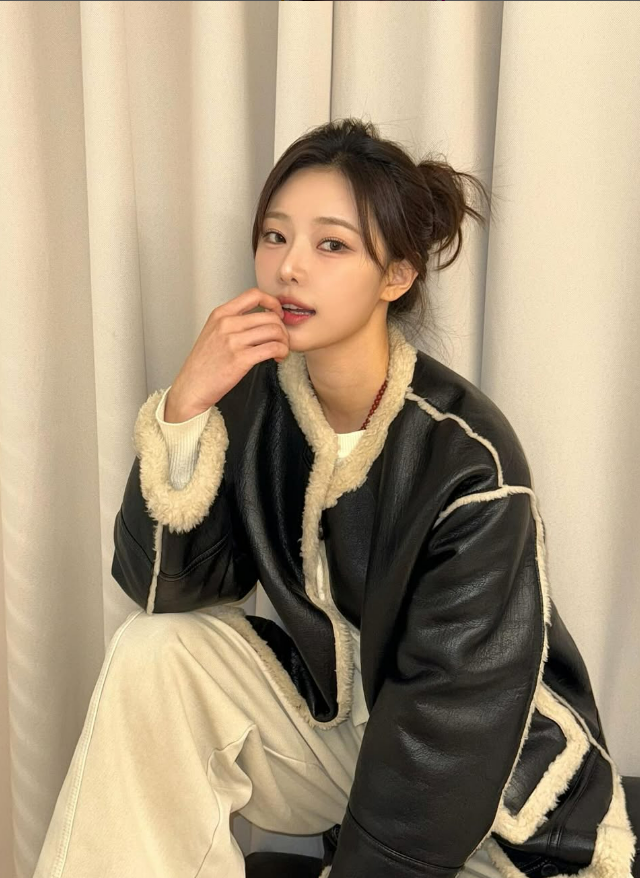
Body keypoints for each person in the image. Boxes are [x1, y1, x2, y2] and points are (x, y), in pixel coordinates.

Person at [33, 118, 637, 878]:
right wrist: (185, 410)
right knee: (154, 652)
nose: (289, 268)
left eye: (331, 245)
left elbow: (451, 723)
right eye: (275, 236)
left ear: (396, 276)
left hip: (494, 798)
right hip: (348, 744)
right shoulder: (257, 406)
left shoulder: (465, 459)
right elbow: (166, 589)